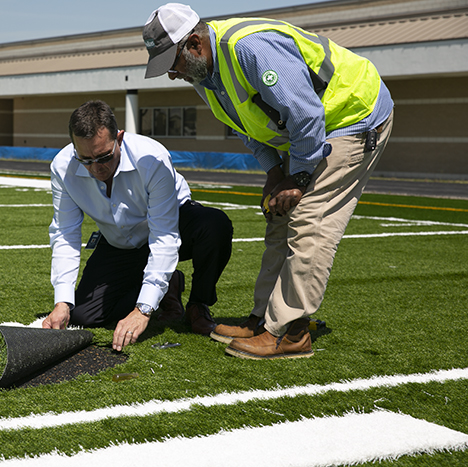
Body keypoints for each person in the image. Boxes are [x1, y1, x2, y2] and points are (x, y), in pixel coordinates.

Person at [142, 3, 394, 359]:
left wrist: (300, 177)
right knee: (278, 215)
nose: (172, 74)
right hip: (308, 131)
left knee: (309, 220)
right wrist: (275, 173)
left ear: (194, 44)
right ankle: (263, 320)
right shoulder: (204, 75)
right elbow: (246, 127)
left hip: (352, 117)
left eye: (173, 63)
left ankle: (290, 333)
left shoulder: (250, 48)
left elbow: (306, 115)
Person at [42, 100, 233, 351]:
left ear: (119, 138)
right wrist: (62, 302)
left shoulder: (152, 158)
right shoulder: (62, 166)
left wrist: (143, 310)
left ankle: (198, 305)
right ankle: (168, 286)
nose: (96, 168)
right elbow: (65, 233)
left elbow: (164, 236)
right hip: (119, 240)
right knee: (85, 316)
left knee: (214, 225)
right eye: (85, 160)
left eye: (104, 157)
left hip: (172, 225)